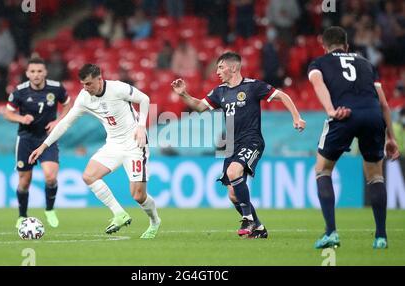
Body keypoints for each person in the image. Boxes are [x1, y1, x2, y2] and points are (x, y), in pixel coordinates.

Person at [171, 52, 306, 238]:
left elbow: (282, 96)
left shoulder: (253, 87)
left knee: (234, 173)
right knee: (233, 195)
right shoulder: (220, 91)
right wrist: (183, 94)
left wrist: (296, 117)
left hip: (252, 141)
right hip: (231, 146)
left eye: (220, 67)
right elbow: (200, 107)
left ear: (233, 67)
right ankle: (258, 227)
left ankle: (248, 219)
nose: (217, 71)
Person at [28, 64, 161, 239]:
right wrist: (43, 146)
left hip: (135, 144)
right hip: (113, 144)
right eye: (83, 84)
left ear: (100, 79)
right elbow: (66, 122)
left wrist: (142, 126)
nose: (86, 88)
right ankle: (119, 214)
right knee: (89, 176)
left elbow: (144, 99)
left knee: (138, 195)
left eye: (89, 84)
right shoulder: (84, 98)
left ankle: (154, 221)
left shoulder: (117, 88)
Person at [308, 26, 400, 250]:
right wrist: (392, 137)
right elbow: (384, 103)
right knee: (376, 176)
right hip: (372, 116)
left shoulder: (319, 63)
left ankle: (331, 232)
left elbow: (318, 84)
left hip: (344, 114)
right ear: (347, 45)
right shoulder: (366, 64)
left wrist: (330, 111)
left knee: (322, 170)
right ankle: (381, 237)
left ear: (324, 46)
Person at [4, 57, 72, 229]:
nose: (36, 75)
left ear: (45, 73)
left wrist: (58, 122)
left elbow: (68, 105)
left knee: (50, 176)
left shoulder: (56, 88)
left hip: (47, 138)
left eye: (39, 71)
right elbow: (8, 114)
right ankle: (22, 216)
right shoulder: (19, 92)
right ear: (27, 73)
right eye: (32, 71)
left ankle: (49, 209)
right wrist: (21, 118)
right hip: (26, 138)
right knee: (25, 181)